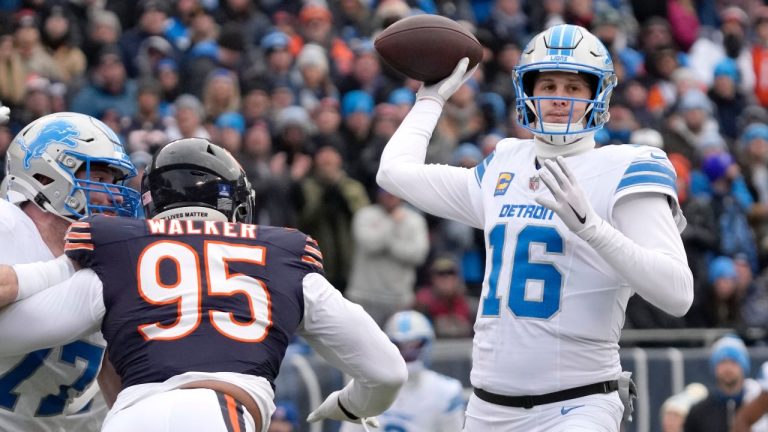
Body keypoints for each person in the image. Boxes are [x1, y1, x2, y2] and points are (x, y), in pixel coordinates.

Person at [376, 23, 694, 431]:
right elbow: (393, 173)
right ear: (527, 90)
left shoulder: (624, 168)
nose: (559, 98)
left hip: (579, 405)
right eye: (548, 85)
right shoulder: (505, 164)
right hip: (487, 408)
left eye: (574, 88)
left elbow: (678, 293)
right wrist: (431, 99)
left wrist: (592, 229)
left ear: (598, 95)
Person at [0, 138, 407, 432]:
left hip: (129, 418)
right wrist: (350, 406)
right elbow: (386, 371)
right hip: (220, 409)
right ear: (238, 204)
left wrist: (58, 269)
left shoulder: (119, 254)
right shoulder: (283, 253)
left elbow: (11, 334)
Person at [0, 111, 141, 431]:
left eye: (114, 183)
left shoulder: (109, 260)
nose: (112, 195)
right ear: (46, 177)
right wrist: (64, 269)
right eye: (98, 179)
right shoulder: (7, 223)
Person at [340, 310, 465, 432]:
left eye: (414, 345)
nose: (407, 353)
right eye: (400, 346)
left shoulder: (446, 391)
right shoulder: (365, 387)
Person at [684, 334, 768, 432]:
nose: (728, 368)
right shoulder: (699, 411)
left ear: (743, 366)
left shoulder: (756, 401)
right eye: (722, 362)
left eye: (733, 362)